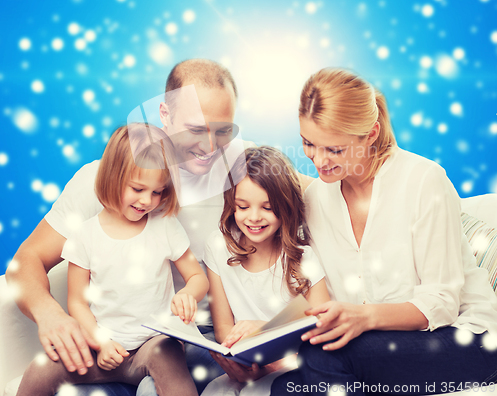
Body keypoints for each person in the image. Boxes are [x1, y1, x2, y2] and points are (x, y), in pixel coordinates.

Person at [5, 59, 251, 395]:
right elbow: (27, 261)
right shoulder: (104, 178)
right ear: (165, 115)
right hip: (108, 339)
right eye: (196, 129)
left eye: (223, 130)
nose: (210, 146)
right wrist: (51, 315)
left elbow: (312, 185)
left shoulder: (246, 169)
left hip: (194, 337)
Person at [270, 68, 497, 395]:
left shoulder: (423, 181)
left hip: (466, 337)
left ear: (371, 133)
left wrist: (363, 317)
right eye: (308, 144)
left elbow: (442, 303)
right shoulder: (316, 199)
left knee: (320, 359)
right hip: (383, 343)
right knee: (287, 387)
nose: (319, 161)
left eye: (334, 149)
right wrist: (261, 340)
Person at [16, 123, 208, 396]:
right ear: (113, 177)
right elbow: (77, 302)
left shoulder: (165, 225)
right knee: (41, 369)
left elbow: (197, 277)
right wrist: (101, 342)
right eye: (138, 188)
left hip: (153, 344)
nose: (147, 201)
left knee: (168, 356)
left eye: (157, 192)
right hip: (103, 348)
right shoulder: (85, 235)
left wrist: (189, 293)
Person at [203, 146, 330, 396]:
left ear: (285, 207)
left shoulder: (305, 259)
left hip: (292, 367)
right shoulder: (217, 246)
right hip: (245, 364)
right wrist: (244, 362)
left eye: (267, 207)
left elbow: (322, 330)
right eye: (242, 206)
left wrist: (263, 333)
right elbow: (223, 330)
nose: (254, 218)